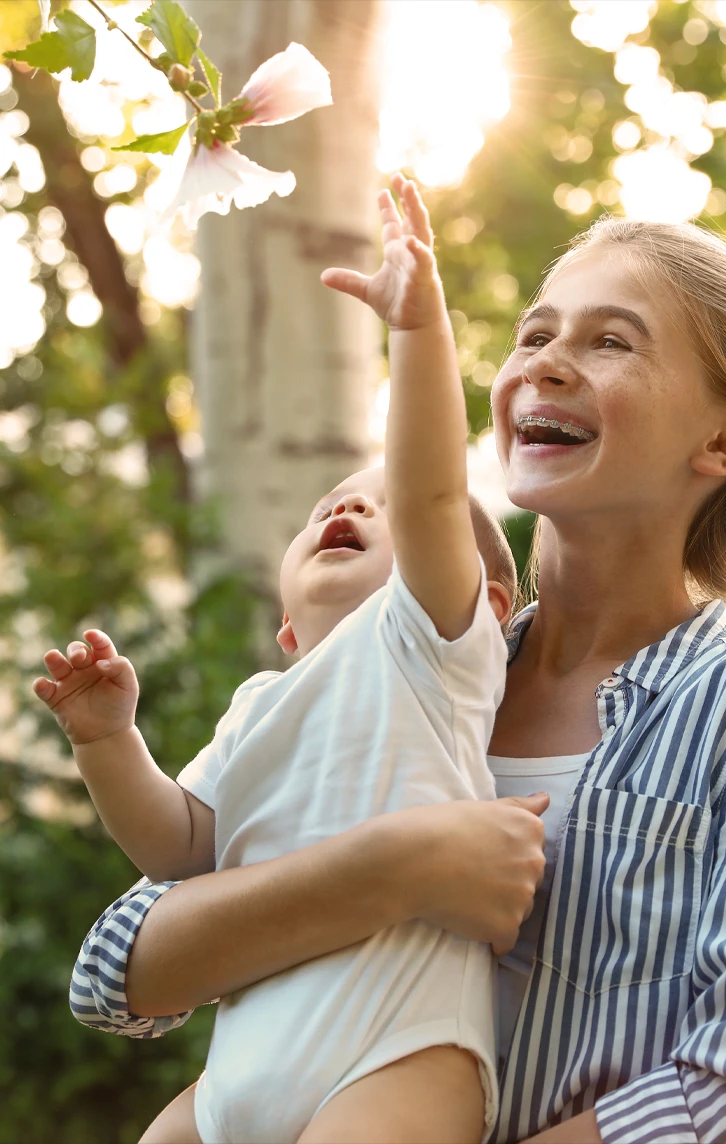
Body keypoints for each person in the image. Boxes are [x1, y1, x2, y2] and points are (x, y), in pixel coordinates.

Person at [68, 211, 726, 1144]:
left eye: (611, 340)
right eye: (534, 335)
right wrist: (394, 870)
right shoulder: (399, 667)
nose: (543, 362)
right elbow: (117, 974)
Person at [36, 176, 522, 1144]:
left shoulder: (428, 651)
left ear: (486, 604)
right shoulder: (261, 702)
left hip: (394, 1053)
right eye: (326, 508)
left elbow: (433, 491)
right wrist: (108, 743)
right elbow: (180, 849)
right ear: (288, 631)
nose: (348, 508)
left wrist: (419, 332)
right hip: (237, 1069)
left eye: (378, 506)